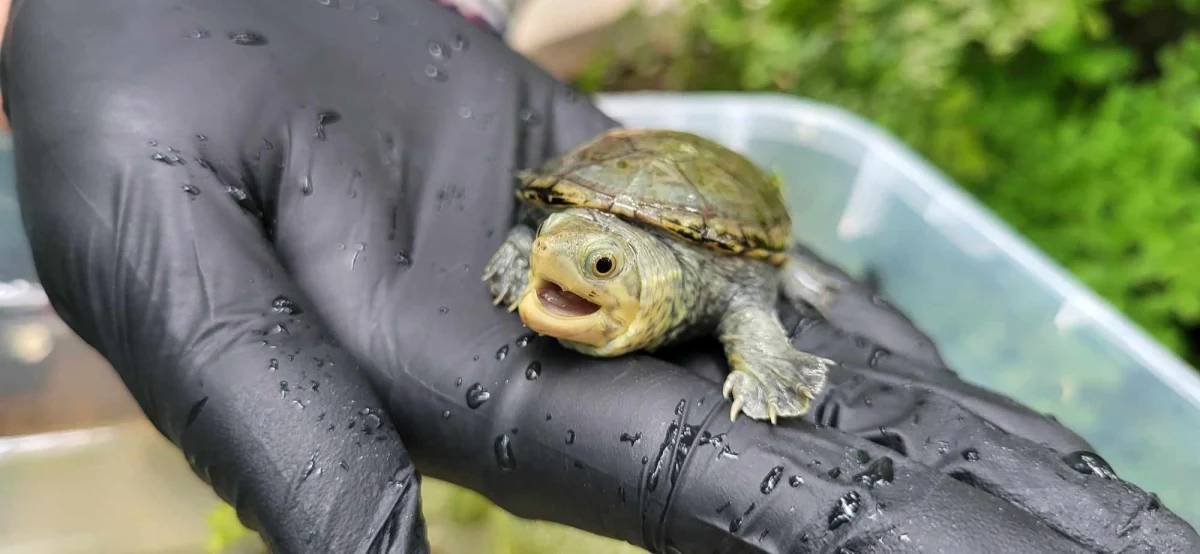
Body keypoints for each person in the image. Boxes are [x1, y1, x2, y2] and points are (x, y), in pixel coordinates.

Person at [2, 0, 1197, 552]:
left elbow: (743, 290)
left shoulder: (701, 283)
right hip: (601, 173)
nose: (550, 279)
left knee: (796, 322)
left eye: (597, 271)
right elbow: (555, 239)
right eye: (550, 266)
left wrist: (765, 349)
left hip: (715, 223)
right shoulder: (553, 249)